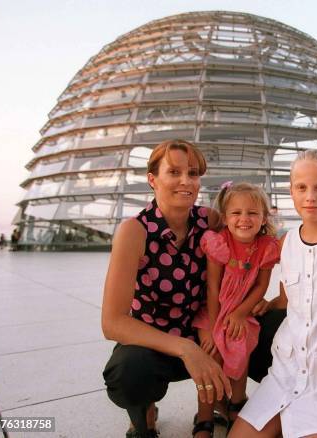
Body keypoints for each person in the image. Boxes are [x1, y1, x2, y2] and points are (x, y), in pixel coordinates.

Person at [101, 139, 232, 438]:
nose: (186, 181)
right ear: (152, 179)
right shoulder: (135, 231)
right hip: (153, 342)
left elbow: (240, 261)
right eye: (174, 172)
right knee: (128, 372)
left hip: (202, 333)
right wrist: (185, 348)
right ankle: (143, 413)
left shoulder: (209, 221)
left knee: (262, 330)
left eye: (194, 173)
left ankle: (226, 402)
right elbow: (112, 322)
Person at [230, 150, 317, 438]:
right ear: (291, 191)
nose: (310, 196)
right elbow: (291, 293)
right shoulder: (284, 242)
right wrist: (272, 303)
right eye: (301, 187)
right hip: (284, 372)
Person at [191, 182, 280, 435]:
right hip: (214, 311)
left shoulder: (266, 247)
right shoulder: (219, 243)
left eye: (252, 213)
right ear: (226, 217)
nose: (244, 219)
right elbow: (212, 287)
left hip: (241, 311)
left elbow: (261, 286)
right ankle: (205, 418)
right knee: (211, 359)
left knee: (240, 349)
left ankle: (236, 404)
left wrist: (241, 313)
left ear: (264, 217)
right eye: (236, 213)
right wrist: (213, 325)